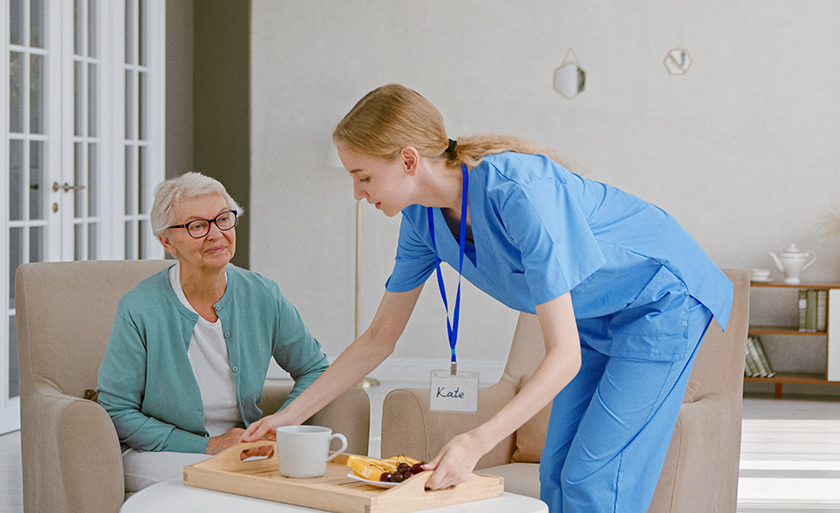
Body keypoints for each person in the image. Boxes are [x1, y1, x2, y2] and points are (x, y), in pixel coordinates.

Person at [243, 84, 733, 512]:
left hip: (661, 302)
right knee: (557, 473)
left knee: (592, 479)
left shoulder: (521, 193)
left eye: (363, 176)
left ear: (409, 160)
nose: (356, 193)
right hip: (594, 314)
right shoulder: (422, 220)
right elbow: (378, 339)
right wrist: (290, 414)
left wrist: (476, 441)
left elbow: (563, 356)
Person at [97, 172, 329, 492]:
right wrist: (209, 446)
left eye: (223, 219)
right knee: (225, 483)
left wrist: (283, 422)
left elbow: (315, 368)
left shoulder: (263, 294)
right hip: (158, 453)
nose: (216, 234)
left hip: (242, 450)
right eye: (197, 226)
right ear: (167, 240)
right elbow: (116, 409)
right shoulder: (139, 307)